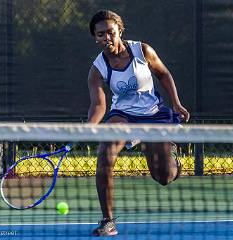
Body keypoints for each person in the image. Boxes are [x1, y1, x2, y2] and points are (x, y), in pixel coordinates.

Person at [87, 10, 190, 237]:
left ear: (119, 31)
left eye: (110, 32)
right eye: (101, 34)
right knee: (106, 151)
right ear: (95, 37)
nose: (106, 38)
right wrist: (90, 126)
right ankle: (108, 221)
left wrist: (176, 104)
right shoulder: (97, 68)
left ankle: (173, 160)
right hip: (123, 115)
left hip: (154, 113)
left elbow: (163, 74)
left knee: (164, 177)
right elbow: (99, 105)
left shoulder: (142, 50)